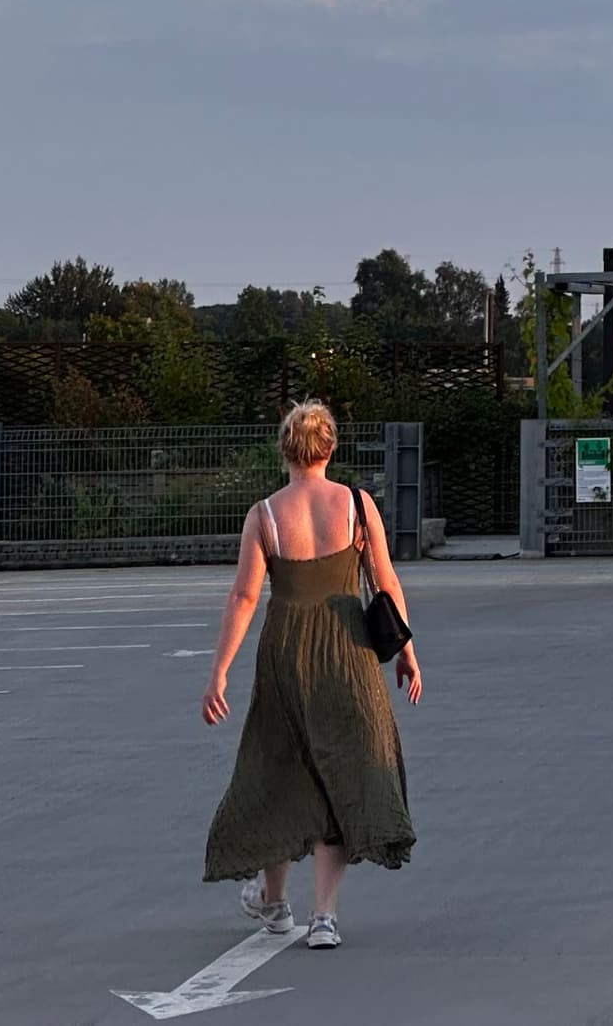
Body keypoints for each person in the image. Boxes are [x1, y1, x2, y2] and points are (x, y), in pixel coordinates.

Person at [200, 400, 420, 949]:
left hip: (286, 652)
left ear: (285, 450)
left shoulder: (264, 514)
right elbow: (387, 583)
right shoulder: (356, 504)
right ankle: (324, 917)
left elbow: (246, 595)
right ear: (330, 448)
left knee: (278, 770)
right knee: (342, 771)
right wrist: (409, 653)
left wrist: (219, 672)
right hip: (349, 652)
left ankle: (275, 904)